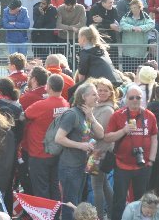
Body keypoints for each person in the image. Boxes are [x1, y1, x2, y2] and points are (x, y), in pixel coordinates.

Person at [104, 84, 158, 220]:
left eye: (138, 97)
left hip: (143, 165)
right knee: (119, 200)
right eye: (131, 97)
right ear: (126, 99)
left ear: (142, 98)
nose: (135, 100)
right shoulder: (118, 115)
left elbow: (154, 138)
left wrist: (151, 160)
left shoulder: (149, 115)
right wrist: (124, 130)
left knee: (141, 201)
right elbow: (107, 137)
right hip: (122, 165)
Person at [54, 82, 104, 220]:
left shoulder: (87, 114)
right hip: (70, 167)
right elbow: (59, 138)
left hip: (82, 165)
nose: (97, 96)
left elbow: (101, 134)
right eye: (94, 94)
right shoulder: (72, 114)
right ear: (83, 97)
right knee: (70, 205)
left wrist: (91, 117)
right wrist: (81, 146)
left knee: (76, 203)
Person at [24, 74, 69, 200]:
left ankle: (45, 211)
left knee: (41, 190)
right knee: (54, 186)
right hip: (56, 152)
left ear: (48, 87)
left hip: (39, 153)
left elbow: (24, 115)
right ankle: (55, 211)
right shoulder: (66, 104)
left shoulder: (41, 105)